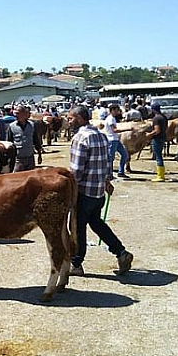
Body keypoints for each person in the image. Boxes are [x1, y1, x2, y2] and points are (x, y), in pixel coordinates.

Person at [67, 105, 134, 277]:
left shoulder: (81, 137)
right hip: (98, 192)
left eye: (71, 118)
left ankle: (76, 264)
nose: (68, 121)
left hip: (83, 192)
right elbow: (106, 163)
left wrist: (69, 191)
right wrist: (106, 181)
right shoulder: (101, 136)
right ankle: (121, 252)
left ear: (80, 119)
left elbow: (76, 171)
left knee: (77, 227)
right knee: (96, 223)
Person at [6, 105, 42, 172]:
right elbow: (9, 143)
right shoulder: (11, 126)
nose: (16, 115)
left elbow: (36, 141)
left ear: (24, 114)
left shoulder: (32, 125)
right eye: (15, 113)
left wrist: (39, 155)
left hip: (30, 157)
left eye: (18, 113)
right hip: (18, 159)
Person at [104, 104, 131, 178]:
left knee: (124, 154)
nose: (117, 112)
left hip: (115, 139)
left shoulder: (113, 118)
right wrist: (127, 129)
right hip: (112, 139)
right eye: (116, 110)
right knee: (111, 157)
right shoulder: (110, 119)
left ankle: (120, 171)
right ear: (112, 110)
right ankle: (109, 173)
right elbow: (114, 130)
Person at [145, 103, 168, 182]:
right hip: (163, 137)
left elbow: (157, 130)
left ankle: (160, 176)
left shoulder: (156, 119)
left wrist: (149, 135)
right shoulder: (164, 117)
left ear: (153, 110)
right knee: (159, 156)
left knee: (158, 157)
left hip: (157, 138)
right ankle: (161, 174)